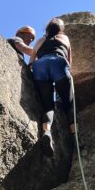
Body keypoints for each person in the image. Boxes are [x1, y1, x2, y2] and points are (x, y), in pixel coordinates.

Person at [29, 17, 76, 156]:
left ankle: (47, 132)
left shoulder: (40, 41)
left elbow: (31, 62)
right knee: (69, 104)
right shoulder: (64, 38)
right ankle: (74, 137)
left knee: (48, 105)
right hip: (58, 63)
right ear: (60, 29)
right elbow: (69, 60)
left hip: (40, 66)